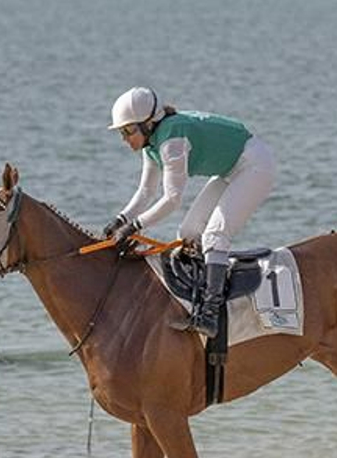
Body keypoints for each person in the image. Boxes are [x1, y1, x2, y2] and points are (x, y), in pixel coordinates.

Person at [103, 85, 276, 338]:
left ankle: (210, 314)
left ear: (148, 124)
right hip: (231, 170)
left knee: (215, 236)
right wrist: (120, 219)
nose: (125, 139)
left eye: (128, 131)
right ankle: (198, 298)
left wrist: (134, 227)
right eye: (121, 132)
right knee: (188, 232)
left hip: (256, 166)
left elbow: (172, 200)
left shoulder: (172, 140)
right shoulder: (152, 144)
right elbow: (146, 192)